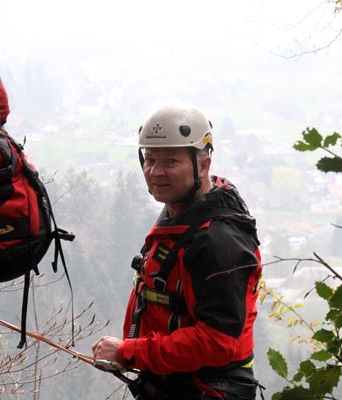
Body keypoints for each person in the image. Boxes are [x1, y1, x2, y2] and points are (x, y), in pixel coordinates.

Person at [92, 105, 263, 399]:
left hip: (207, 389)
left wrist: (129, 352)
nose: (156, 172)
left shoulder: (218, 241)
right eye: (150, 160)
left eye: (171, 161)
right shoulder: (185, 213)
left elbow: (217, 341)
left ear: (204, 166)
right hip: (175, 385)